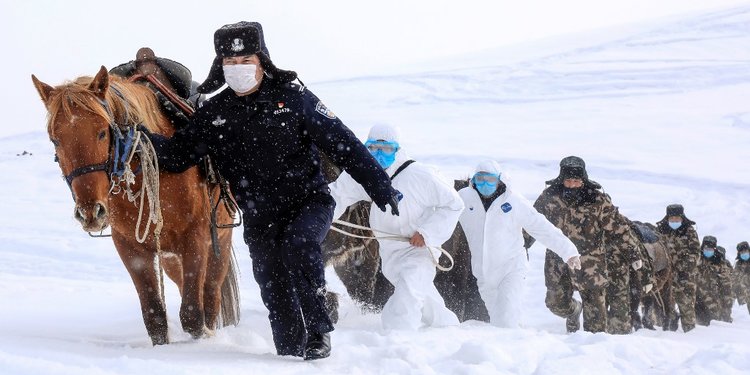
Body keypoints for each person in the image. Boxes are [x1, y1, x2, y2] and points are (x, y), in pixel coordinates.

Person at [146, 22, 401, 360]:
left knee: (299, 245)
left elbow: (344, 144)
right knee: (272, 283)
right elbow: (179, 155)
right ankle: (289, 353)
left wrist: (381, 187)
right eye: (230, 62)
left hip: (309, 202)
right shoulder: (214, 113)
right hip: (259, 215)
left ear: (262, 60)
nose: (238, 68)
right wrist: (141, 139)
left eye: (245, 60)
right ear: (220, 65)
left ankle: (319, 333)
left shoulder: (294, 98)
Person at [329, 124, 463, 331]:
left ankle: (397, 340)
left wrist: (426, 234)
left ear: (397, 149)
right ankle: (449, 331)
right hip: (390, 253)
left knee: (406, 301)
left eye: (386, 149)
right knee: (426, 301)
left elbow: (454, 204)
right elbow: (337, 195)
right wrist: (320, 220)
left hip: (419, 250)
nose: (378, 154)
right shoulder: (363, 174)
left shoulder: (418, 175)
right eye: (372, 148)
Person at [458, 160, 581, 328]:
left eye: (490, 180)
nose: (485, 184)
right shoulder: (463, 199)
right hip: (483, 274)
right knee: (498, 322)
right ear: (473, 180)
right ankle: (515, 346)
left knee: (506, 321)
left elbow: (540, 226)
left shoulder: (513, 200)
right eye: (480, 179)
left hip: (511, 269)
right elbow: (442, 220)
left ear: (499, 179)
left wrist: (569, 251)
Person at [533, 156, 642, 333]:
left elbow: (618, 228)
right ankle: (574, 310)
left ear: (583, 179)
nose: (572, 185)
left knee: (596, 324)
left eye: (576, 181)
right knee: (555, 303)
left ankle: (594, 354)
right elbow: (533, 223)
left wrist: (633, 253)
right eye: (568, 181)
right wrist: (521, 245)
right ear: (562, 179)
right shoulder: (549, 197)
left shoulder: (597, 200)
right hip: (558, 261)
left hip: (591, 264)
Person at [656, 204, 700, 332]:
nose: (674, 222)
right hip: (665, 276)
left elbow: (695, 253)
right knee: (665, 306)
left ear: (682, 218)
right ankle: (667, 333)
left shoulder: (689, 231)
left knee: (686, 305)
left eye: (677, 219)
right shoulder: (661, 230)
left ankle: (690, 331)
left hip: (685, 276)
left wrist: (682, 268)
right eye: (672, 219)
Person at [695, 236, 733, 325]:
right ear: (702, 248)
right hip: (696, 301)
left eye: (711, 249)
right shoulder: (696, 260)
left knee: (713, 324)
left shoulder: (720, 263)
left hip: (713, 302)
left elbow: (726, 288)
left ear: (714, 249)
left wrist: (727, 311)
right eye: (706, 248)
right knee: (697, 327)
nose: (708, 250)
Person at [733, 241, 750, 316]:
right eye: (742, 252)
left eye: (746, 251)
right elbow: (735, 281)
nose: (744, 254)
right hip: (745, 299)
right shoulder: (738, 265)